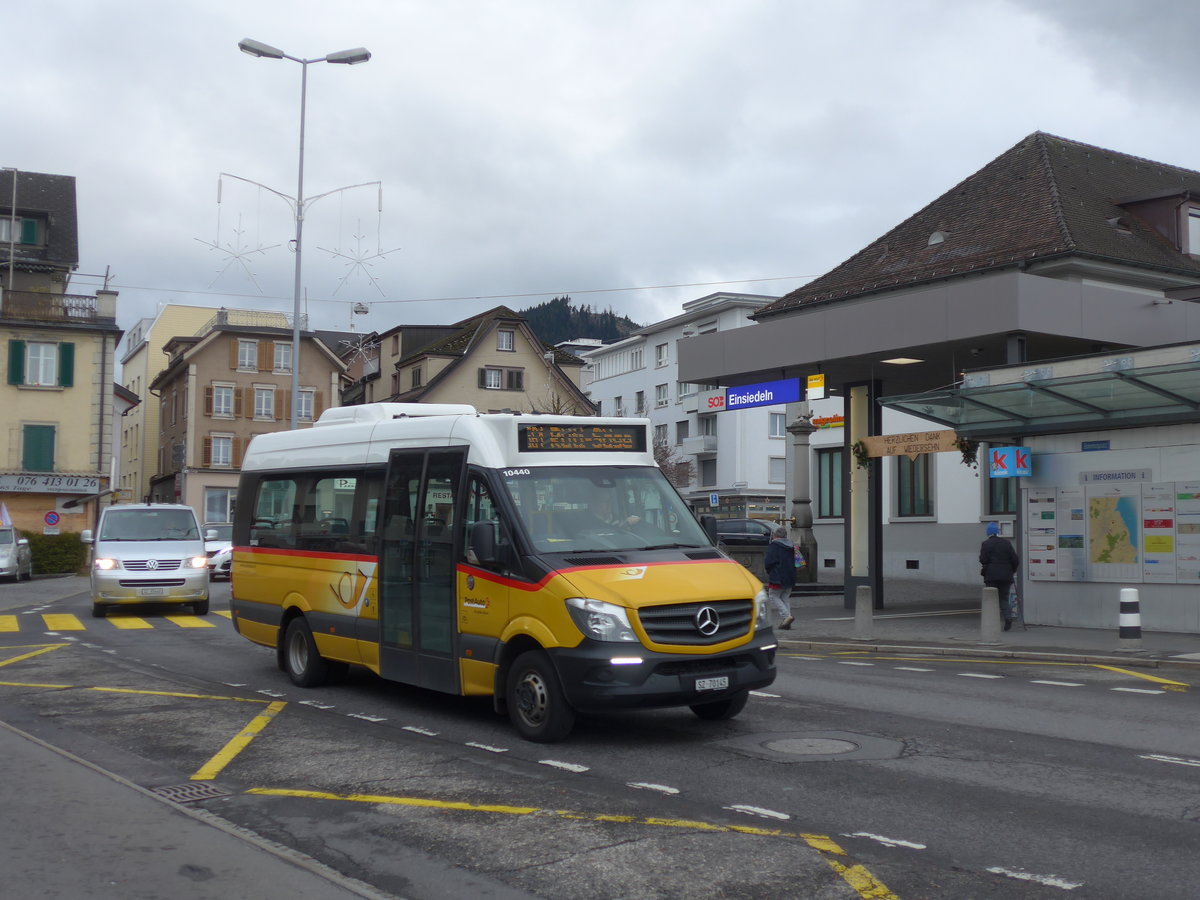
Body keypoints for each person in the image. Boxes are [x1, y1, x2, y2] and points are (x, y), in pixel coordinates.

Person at [980, 522, 1019, 631]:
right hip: (1006, 575)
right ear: (997, 532)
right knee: (1003, 598)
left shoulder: (986, 544)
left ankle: (991, 621)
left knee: (991, 598)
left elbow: (983, 560)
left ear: (988, 533)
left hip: (991, 575)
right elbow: (1015, 559)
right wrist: (1012, 570)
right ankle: (1008, 617)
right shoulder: (1007, 543)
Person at [763, 525, 796, 630]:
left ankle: (787, 617)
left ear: (775, 535)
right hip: (790, 575)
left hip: (778, 575)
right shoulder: (791, 546)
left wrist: (769, 571)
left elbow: (769, 562)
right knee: (785, 597)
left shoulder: (774, 546)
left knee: (773, 596)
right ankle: (786, 621)